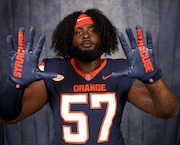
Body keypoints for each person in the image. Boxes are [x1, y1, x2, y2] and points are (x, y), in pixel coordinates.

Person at [0, 8, 179, 145]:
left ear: (104, 36)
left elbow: (169, 111)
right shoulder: (52, 71)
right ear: (68, 39)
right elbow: (8, 117)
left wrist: (152, 78)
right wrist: (15, 85)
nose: (86, 35)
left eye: (93, 30)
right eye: (78, 32)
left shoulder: (121, 71)